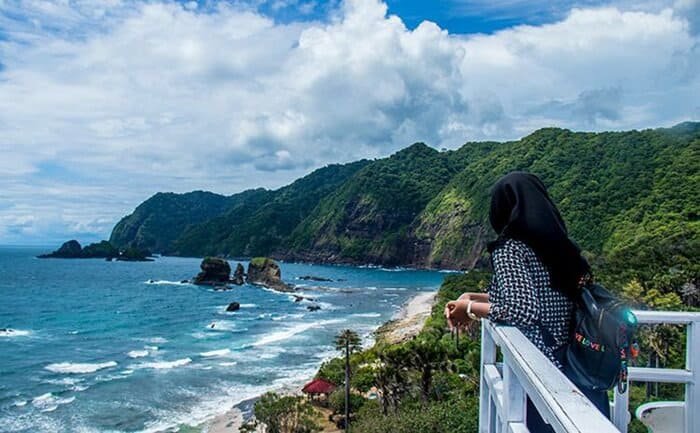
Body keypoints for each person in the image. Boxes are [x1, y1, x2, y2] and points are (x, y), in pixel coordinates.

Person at [444, 171, 609, 433]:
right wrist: (473, 297)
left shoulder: (510, 249)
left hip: (544, 374)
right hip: (578, 370)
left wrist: (469, 310)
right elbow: (541, 298)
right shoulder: (561, 247)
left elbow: (522, 311)